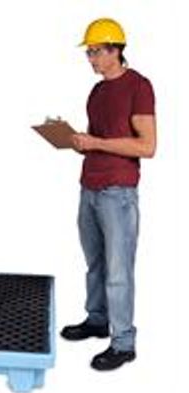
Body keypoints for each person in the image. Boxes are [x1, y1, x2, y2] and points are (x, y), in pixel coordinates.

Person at [60, 18, 157, 371]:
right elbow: (101, 139)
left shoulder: (139, 86)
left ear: (116, 50)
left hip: (118, 192)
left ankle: (124, 343)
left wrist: (96, 143)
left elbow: (147, 146)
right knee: (96, 264)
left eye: (96, 51)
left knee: (118, 271)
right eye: (88, 52)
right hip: (89, 187)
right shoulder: (97, 92)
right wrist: (79, 143)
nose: (91, 58)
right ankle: (98, 320)